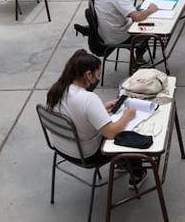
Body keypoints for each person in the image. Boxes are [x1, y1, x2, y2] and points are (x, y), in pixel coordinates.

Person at [45, 49, 147, 189]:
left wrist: (102, 108)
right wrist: (127, 116)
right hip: (88, 155)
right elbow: (110, 133)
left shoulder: (57, 90)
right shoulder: (88, 99)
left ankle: (124, 163)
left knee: (115, 121)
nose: (98, 79)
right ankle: (137, 173)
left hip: (61, 147)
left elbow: (75, 113)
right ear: (88, 74)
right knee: (127, 130)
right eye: (98, 75)